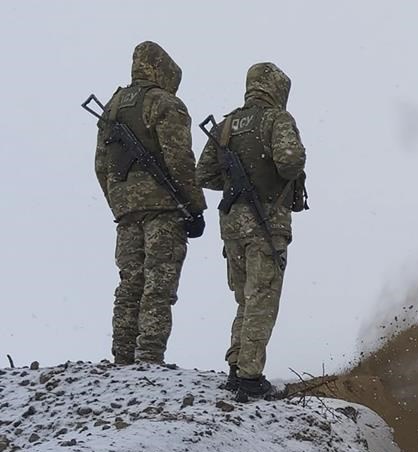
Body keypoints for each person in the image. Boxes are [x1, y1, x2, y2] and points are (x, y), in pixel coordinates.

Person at [196, 62, 307, 401]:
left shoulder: (227, 125)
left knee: (245, 298)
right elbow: (290, 161)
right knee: (262, 298)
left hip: (232, 228)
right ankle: (250, 377)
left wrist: (236, 185)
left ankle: (237, 366)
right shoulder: (276, 119)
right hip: (266, 223)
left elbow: (204, 174)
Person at [94, 41, 206, 366]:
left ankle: (122, 357)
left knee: (130, 283)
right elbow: (180, 159)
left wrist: (120, 201)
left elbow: (101, 166)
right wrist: (194, 206)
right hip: (164, 209)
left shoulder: (112, 108)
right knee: (158, 283)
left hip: (127, 213)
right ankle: (149, 359)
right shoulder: (165, 103)